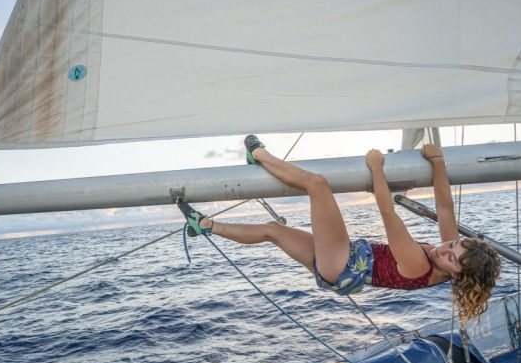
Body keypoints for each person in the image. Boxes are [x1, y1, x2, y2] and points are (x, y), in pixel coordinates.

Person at [178, 135, 501, 321]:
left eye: (453, 258)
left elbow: (387, 212)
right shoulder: (441, 258)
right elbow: (444, 206)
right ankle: (205, 226)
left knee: (317, 184)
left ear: (457, 275)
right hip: (342, 271)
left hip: (344, 262)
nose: (447, 249)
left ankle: (257, 153)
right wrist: (438, 162)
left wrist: (376, 167)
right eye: (454, 245)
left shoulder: (419, 265)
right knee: (272, 230)